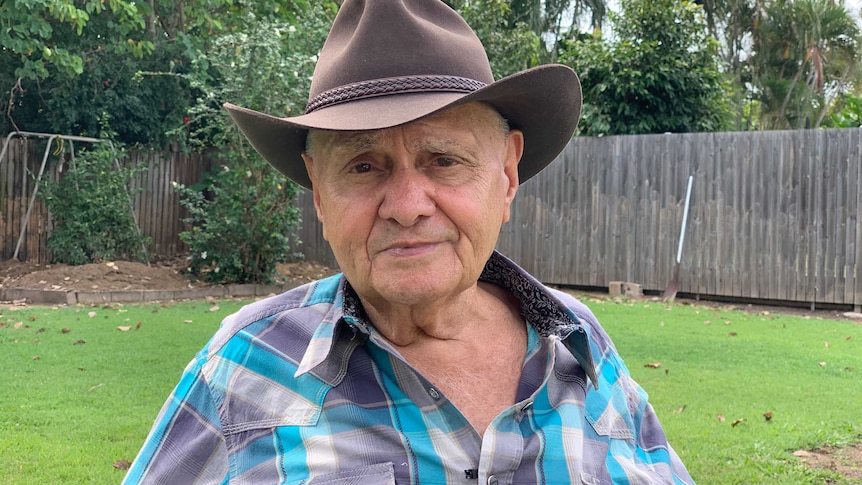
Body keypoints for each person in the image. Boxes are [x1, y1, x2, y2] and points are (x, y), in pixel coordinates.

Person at [123, 0, 694, 483]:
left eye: (443, 160)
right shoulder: (247, 364)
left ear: (507, 174)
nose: (406, 206)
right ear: (320, 192)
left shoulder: (577, 342)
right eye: (364, 166)